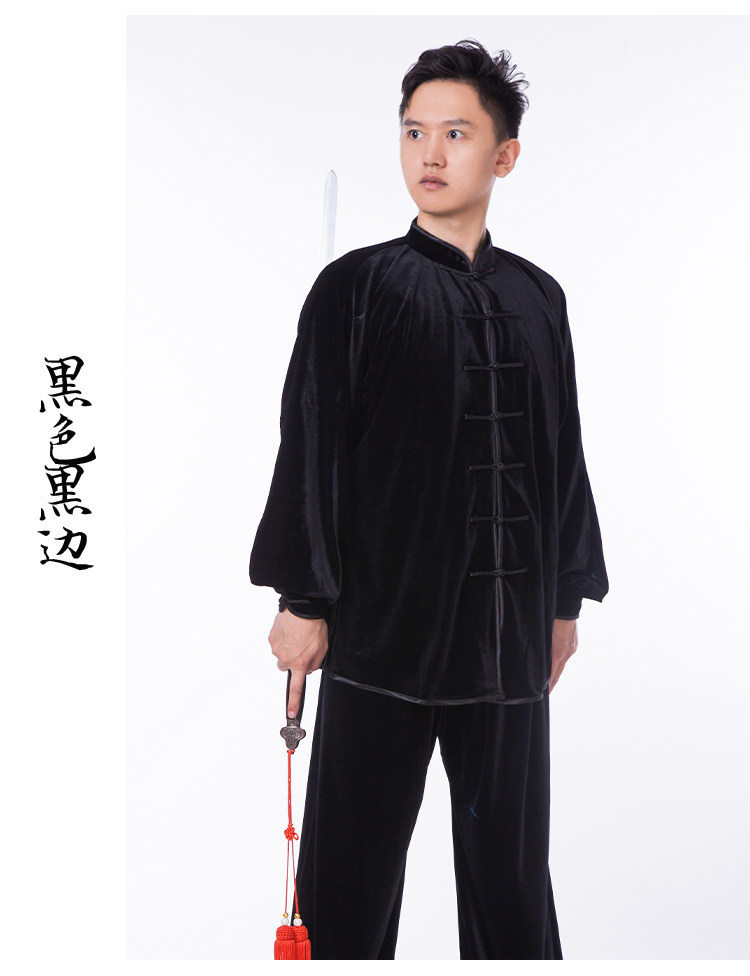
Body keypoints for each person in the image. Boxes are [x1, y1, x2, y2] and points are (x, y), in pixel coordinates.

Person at [249, 38, 609, 960]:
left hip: (508, 638)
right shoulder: (356, 288)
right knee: (346, 888)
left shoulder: (539, 297)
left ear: (504, 155)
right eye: (414, 133)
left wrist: (565, 601)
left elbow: (561, 452)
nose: (430, 154)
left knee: (512, 893)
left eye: (456, 133)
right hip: (383, 634)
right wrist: (303, 600)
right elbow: (312, 445)